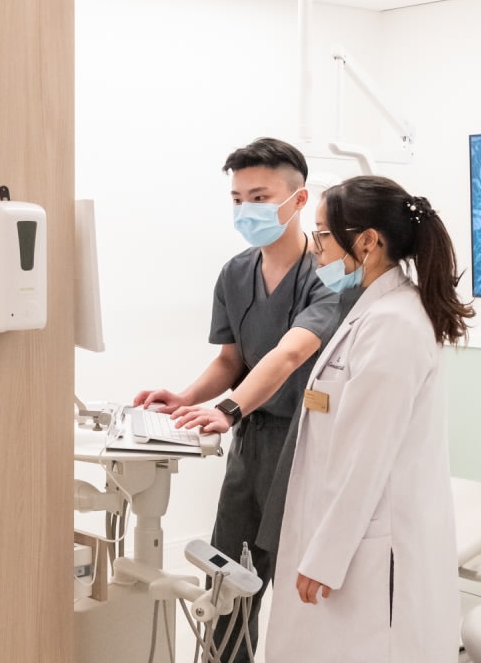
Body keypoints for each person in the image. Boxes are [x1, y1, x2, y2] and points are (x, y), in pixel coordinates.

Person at [132, 138, 353, 661]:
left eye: (258, 196)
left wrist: (227, 409)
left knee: (299, 577)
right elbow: (234, 361)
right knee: (227, 573)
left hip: (307, 444)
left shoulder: (331, 273)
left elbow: (290, 354)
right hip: (252, 443)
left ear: (299, 201)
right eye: (236, 198)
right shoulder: (235, 272)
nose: (245, 209)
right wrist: (185, 398)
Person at [265, 175, 475, 661]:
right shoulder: (372, 313)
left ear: (367, 242)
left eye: (322, 234)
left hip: (375, 552)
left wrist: (325, 556)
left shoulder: (393, 325)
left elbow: (366, 459)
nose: (314, 249)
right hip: (352, 538)